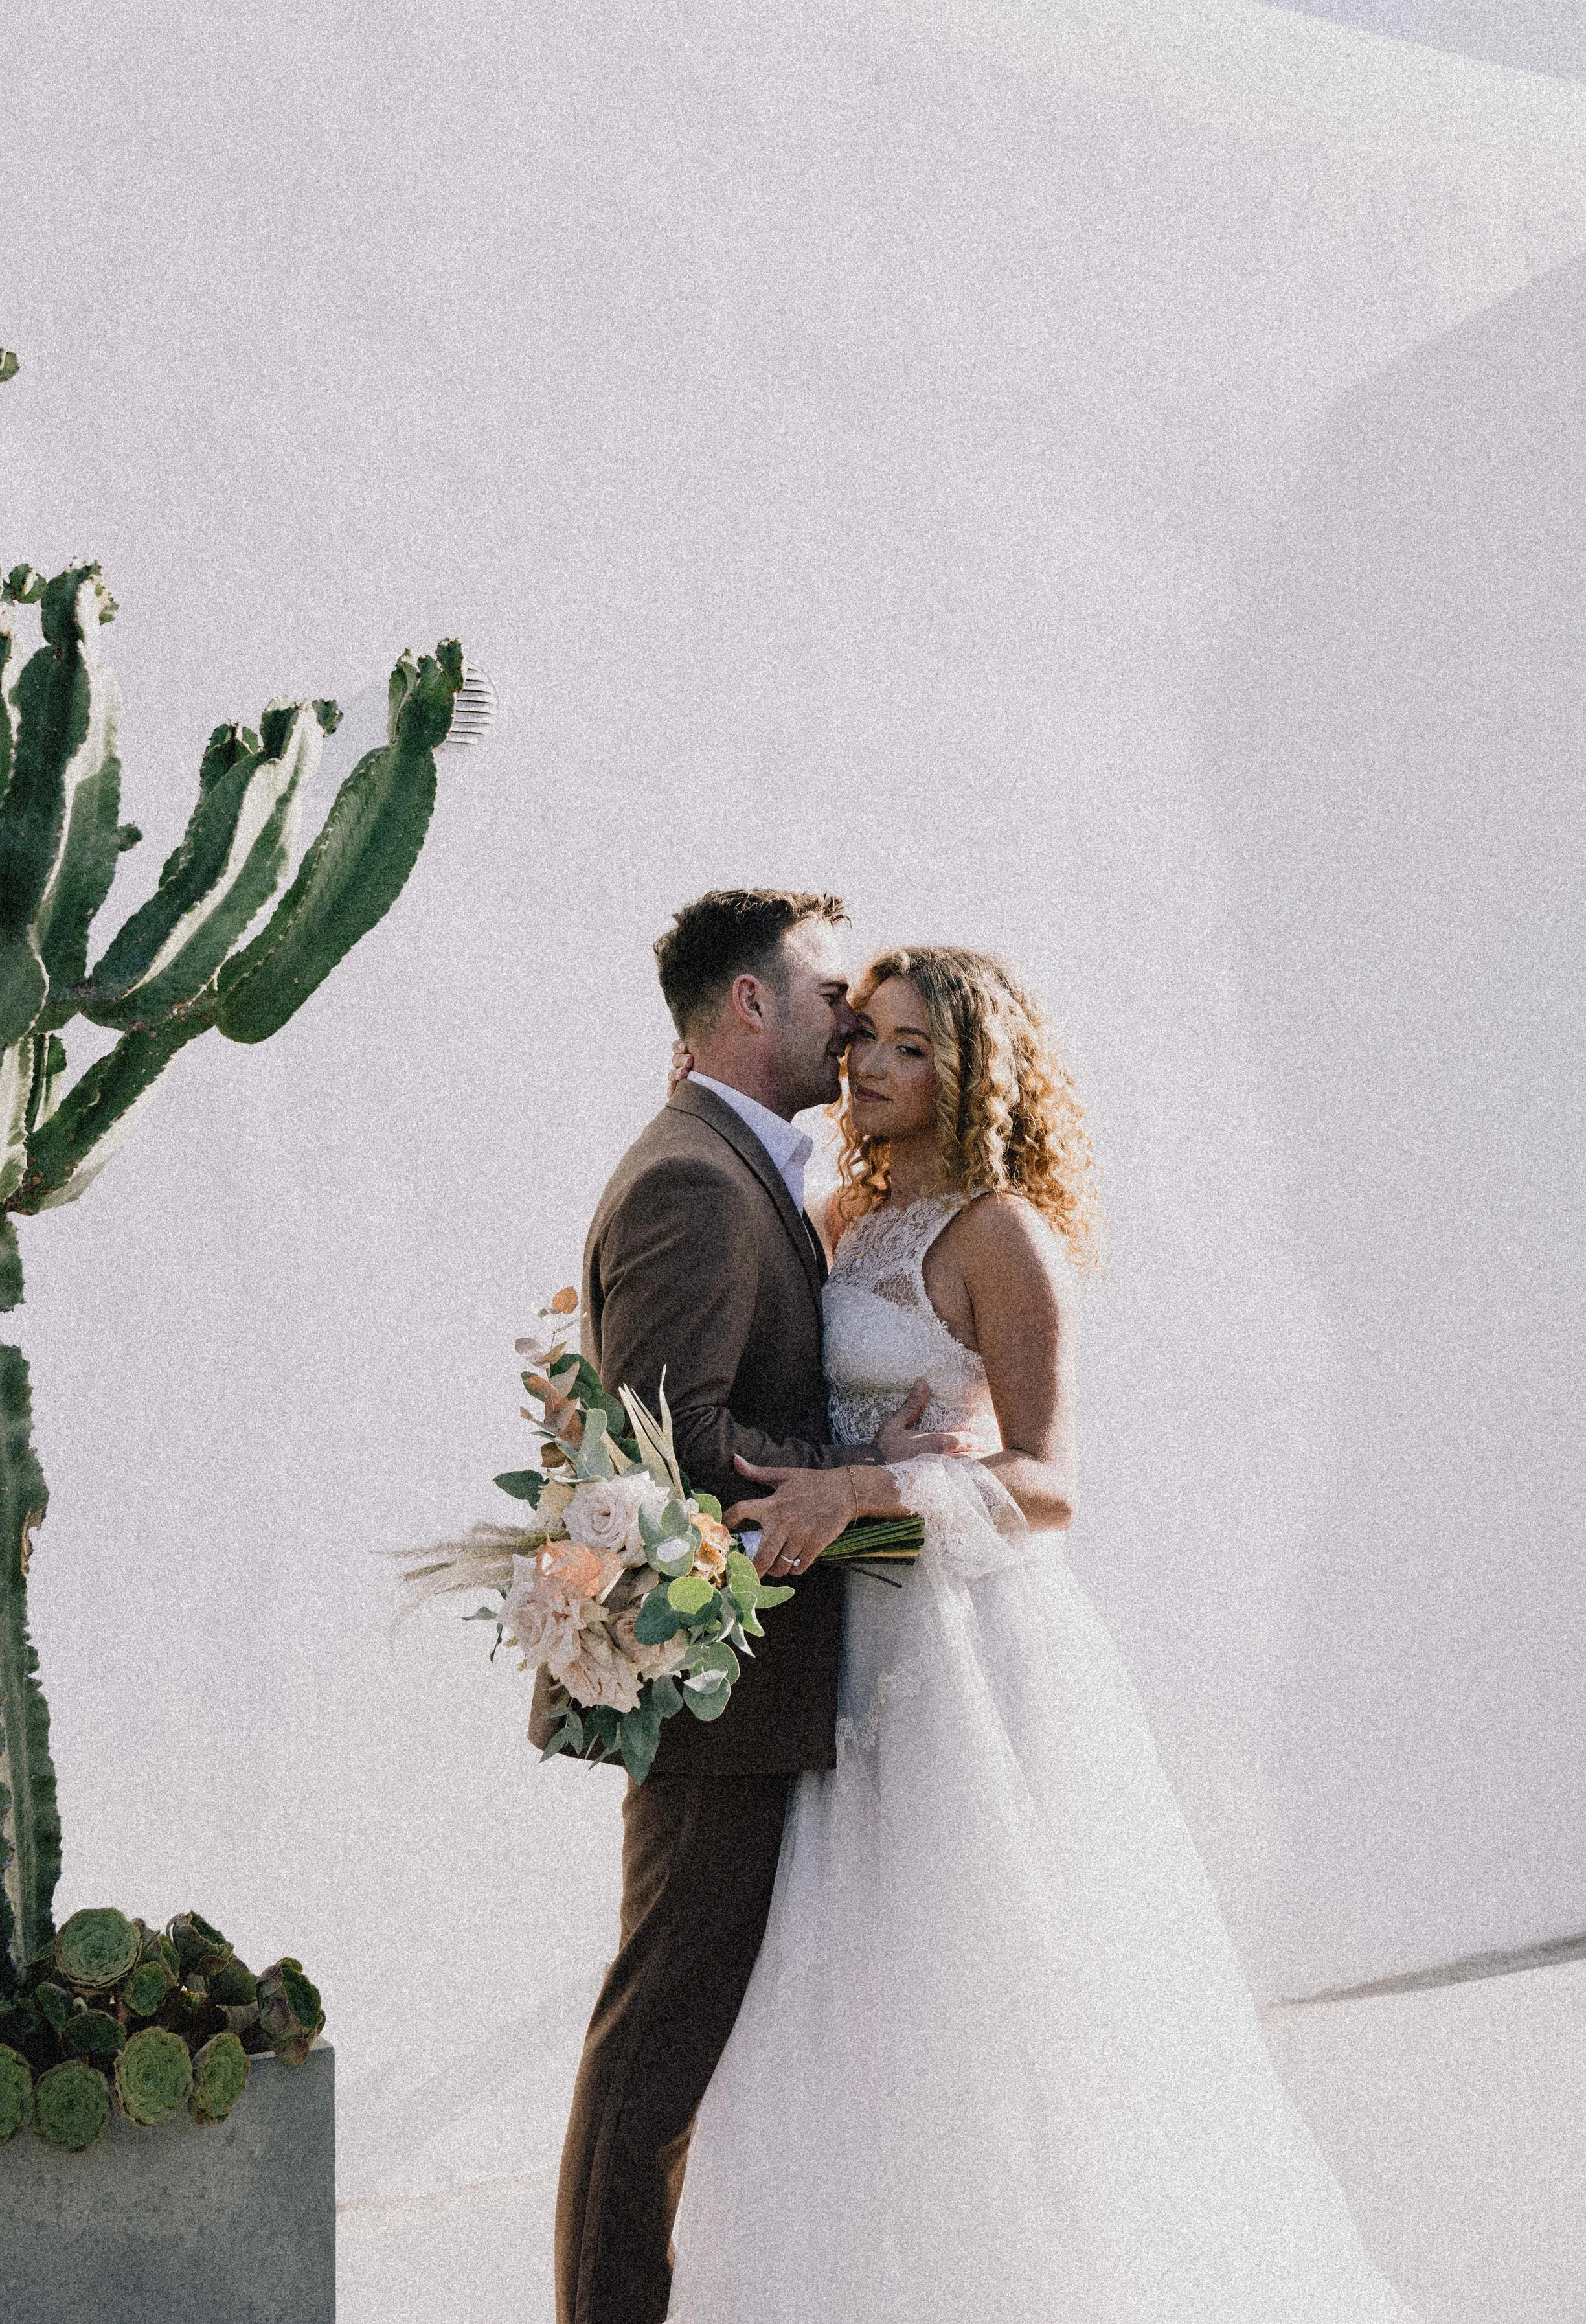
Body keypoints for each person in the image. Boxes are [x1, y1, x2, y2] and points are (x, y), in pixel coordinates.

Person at [665, 944, 1423, 2323]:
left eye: (904, 1045)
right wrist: (836, 1447)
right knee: (839, 1999)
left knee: (975, 1996)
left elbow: (1050, 1481)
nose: (867, 1063)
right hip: (844, 1650)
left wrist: (875, 1482)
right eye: (864, 1039)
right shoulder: (843, 1212)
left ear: (969, 1070)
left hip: (960, 1657)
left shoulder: (1000, 1232)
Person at [538, 891, 965, 2324]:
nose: (847, 1018)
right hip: (711, 1682)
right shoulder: (694, 1178)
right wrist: (877, 1471)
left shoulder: (726, 1162)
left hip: (756, 1675)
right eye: (827, 989)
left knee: (679, 2032)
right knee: (658, 2038)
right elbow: (684, 1450)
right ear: (745, 1004)